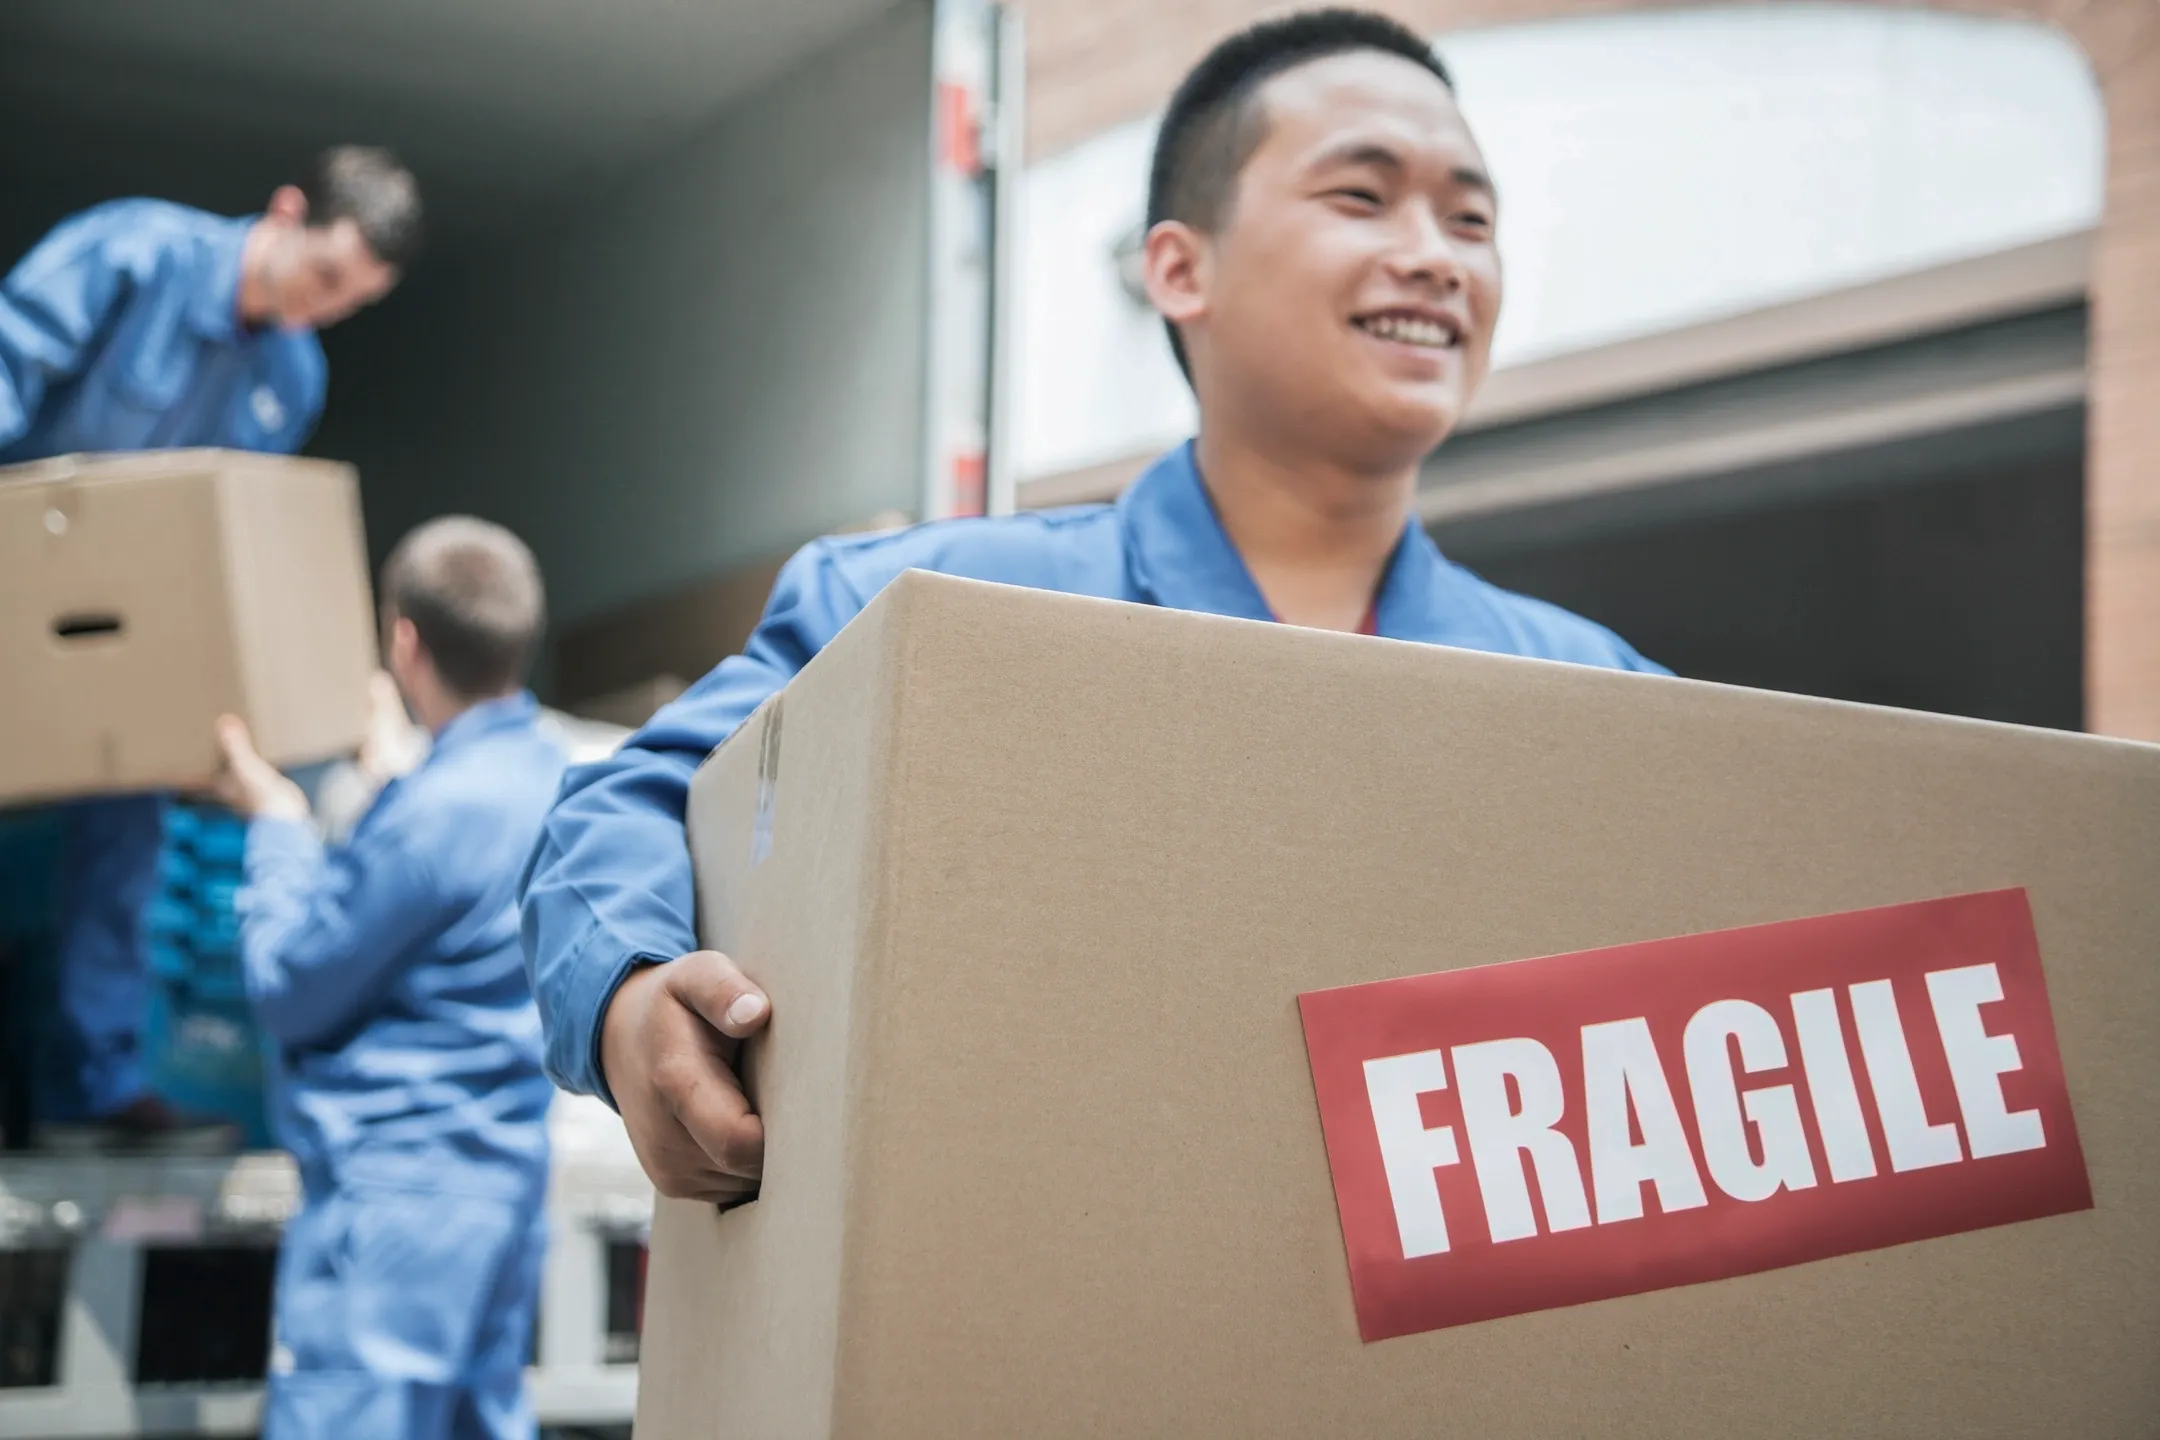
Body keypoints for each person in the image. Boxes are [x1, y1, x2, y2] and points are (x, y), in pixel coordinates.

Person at [519, 8, 1670, 1202]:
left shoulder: (1607, 699)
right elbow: (622, 806)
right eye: (1363, 198)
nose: (1435, 254)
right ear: (1178, 268)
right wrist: (632, 995)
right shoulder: (919, 613)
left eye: (1471, 218)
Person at [2, 146, 422, 1148]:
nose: (324, 310)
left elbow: (224, 531)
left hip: (130, 632)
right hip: (18, 585)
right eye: (325, 278)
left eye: (351, 302)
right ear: (284, 212)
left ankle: (91, 1096)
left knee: (127, 842)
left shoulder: (292, 372)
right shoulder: (134, 253)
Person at [212, 517, 562, 1440]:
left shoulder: (430, 815)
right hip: (506, 1190)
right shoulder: (554, 782)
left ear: (403, 640)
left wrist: (280, 825)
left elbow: (292, 986)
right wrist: (397, 787)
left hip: (398, 1202)